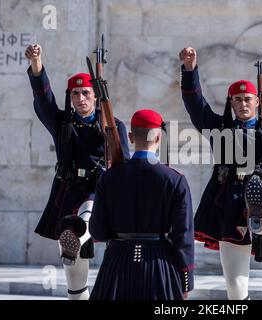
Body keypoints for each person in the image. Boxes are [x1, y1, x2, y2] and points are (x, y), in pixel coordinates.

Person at [179, 47, 262, 300]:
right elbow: (195, 105)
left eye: (248, 99)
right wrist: (189, 70)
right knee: (235, 289)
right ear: (231, 103)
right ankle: (257, 219)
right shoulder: (219, 129)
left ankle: (259, 217)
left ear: (257, 102)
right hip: (228, 205)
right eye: (237, 99)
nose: (243, 104)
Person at [25, 44, 130, 300]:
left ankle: (76, 232)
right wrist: (37, 63)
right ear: (70, 97)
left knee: (81, 221)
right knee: (73, 266)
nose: (80, 99)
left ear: (96, 96)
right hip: (69, 190)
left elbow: (125, 163)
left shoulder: (114, 126)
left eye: (85, 93)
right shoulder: (62, 123)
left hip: (99, 191)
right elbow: (43, 96)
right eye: (75, 94)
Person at [89, 109, 194, 300]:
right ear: (159, 138)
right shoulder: (175, 180)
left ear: (130, 137)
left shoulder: (109, 177)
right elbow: (183, 235)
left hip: (117, 261)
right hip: (159, 263)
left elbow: (98, 231)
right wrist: (186, 279)